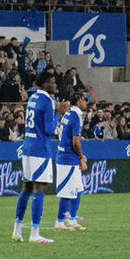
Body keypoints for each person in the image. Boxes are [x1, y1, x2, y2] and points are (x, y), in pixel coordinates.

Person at [14, 72, 69, 244]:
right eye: (52, 82)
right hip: (40, 150)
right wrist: (58, 114)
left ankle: (17, 230)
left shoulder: (33, 98)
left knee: (27, 189)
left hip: (28, 148)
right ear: (45, 84)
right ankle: (35, 233)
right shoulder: (47, 100)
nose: (55, 85)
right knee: (39, 190)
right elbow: (49, 129)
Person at [54, 91, 88, 232]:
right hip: (68, 158)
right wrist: (81, 157)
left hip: (67, 157)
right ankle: (60, 221)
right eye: (85, 99)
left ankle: (72, 219)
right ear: (79, 100)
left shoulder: (68, 114)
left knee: (78, 190)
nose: (86, 102)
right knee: (68, 193)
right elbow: (76, 142)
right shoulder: (75, 116)